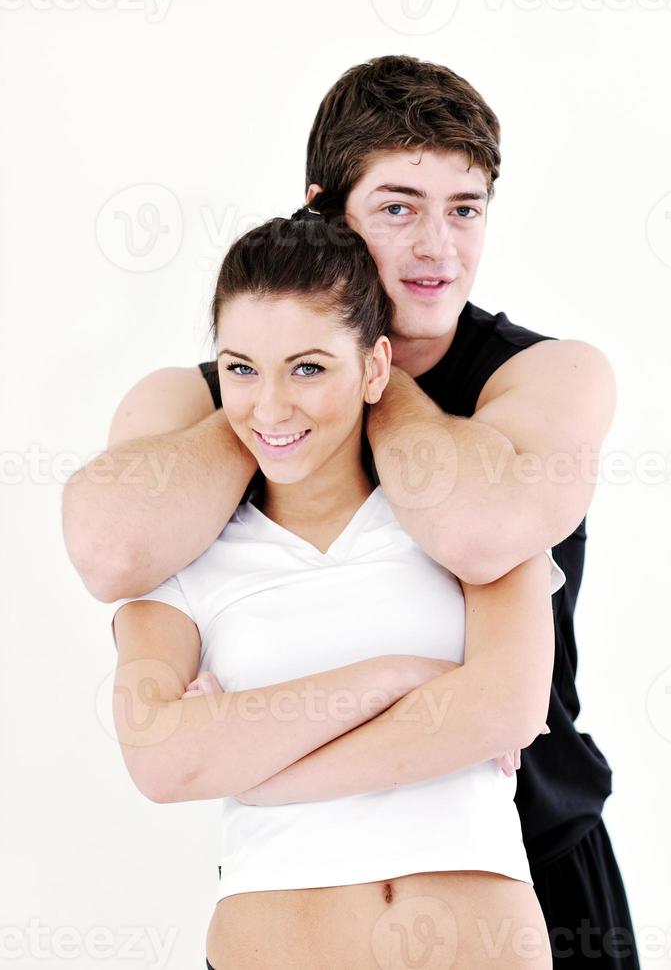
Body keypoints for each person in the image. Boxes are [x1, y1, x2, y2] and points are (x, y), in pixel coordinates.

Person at [63, 55, 640, 967]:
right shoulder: (226, 402)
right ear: (324, 211)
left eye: (465, 209)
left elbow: (478, 535)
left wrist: (376, 371)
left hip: (538, 859)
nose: (437, 248)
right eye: (400, 206)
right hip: (303, 886)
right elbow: (108, 553)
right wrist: (284, 383)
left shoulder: (542, 376)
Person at [111, 209, 566, 969]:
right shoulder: (186, 556)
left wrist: (254, 760)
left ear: (376, 368)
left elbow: (506, 710)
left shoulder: (464, 520)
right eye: (242, 368)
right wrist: (397, 679)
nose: (271, 406)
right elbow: (162, 763)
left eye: (310, 367)